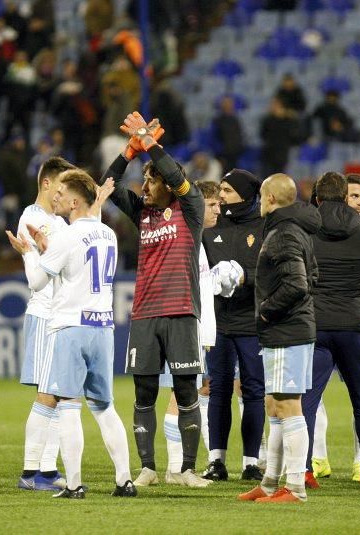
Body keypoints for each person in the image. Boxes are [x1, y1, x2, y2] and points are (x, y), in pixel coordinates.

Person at [7, 170, 135, 499]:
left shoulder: (66, 236)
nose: (58, 198)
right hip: (103, 329)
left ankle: (74, 485)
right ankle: (124, 480)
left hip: (70, 327)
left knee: (67, 407)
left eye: (63, 193)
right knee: (105, 407)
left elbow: (37, 282)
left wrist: (28, 252)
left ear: (76, 201)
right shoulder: (109, 234)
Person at [101, 112, 209, 488]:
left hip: (180, 311)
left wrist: (150, 143)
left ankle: (188, 470)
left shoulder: (190, 209)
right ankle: (147, 466)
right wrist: (129, 150)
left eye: (151, 179)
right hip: (145, 313)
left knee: (185, 389)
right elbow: (107, 185)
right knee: (144, 391)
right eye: (144, 179)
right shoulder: (140, 213)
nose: (144, 185)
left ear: (168, 184)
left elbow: (177, 177)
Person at [239, 173, 321, 504]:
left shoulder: (284, 232)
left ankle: (297, 488)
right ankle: (270, 483)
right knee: (274, 405)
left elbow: (298, 284)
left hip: (287, 330)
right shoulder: (290, 229)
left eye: (261, 197)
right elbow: (312, 275)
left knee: (288, 406)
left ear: (271, 198)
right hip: (286, 330)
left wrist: (266, 311)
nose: (259, 202)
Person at [300, 172, 360, 489]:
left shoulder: (305, 231)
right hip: (354, 325)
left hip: (315, 326)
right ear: (346, 196)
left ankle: (304, 470)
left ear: (318, 198)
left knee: (306, 403)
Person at [163, 180, 244, 483]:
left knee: (196, 392)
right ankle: (176, 468)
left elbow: (197, 284)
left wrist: (218, 279)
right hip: (183, 327)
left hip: (197, 328)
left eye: (219, 205)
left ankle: (187, 465)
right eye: (212, 205)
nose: (218, 211)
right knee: (181, 394)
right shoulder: (184, 237)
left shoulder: (197, 239)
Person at [10, 156, 73, 492]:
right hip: (46, 313)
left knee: (59, 396)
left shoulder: (57, 221)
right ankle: (33, 471)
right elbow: (46, 269)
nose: (65, 193)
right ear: (47, 183)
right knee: (50, 395)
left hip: (59, 312)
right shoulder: (34, 219)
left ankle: (45, 470)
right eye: (61, 185)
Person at [202, 169, 267, 482]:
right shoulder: (212, 226)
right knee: (219, 390)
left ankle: (251, 462)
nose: (221, 197)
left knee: (254, 391)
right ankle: (216, 461)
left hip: (253, 323)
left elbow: (270, 272)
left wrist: (244, 277)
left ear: (244, 194)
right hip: (218, 323)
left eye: (227, 190)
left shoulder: (264, 227)